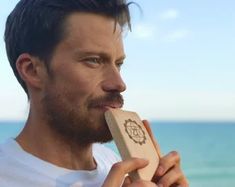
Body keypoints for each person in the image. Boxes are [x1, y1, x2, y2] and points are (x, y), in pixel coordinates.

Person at [0, 0, 188, 186]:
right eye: (94, 61)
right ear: (32, 70)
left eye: (118, 64)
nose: (119, 84)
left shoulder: (114, 163)